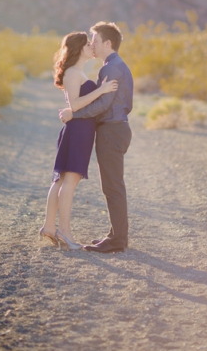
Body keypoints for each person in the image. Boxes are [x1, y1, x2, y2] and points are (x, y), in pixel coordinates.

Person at [59, 22, 133, 254]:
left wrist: (74, 114)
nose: (92, 44)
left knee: (113, 187)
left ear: (107, 43)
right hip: (116, 128)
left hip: (111, 130)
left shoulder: (111, 69)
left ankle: (118, 240)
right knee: (112, 186)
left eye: (96, 40)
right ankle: (116, 235)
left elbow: (104, 104)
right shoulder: (114, 66)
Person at [40, 31, 118, 251]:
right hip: (78, 131)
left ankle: (48, 227)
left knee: (61, 182)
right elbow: (75, 105)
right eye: (88, 44)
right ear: (79, 49)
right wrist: (101, 89)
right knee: (69, 184)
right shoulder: (74, 73)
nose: (92, 47)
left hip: (78, 129)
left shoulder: (76, 72)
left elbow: (74, 107)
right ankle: (64, 232)